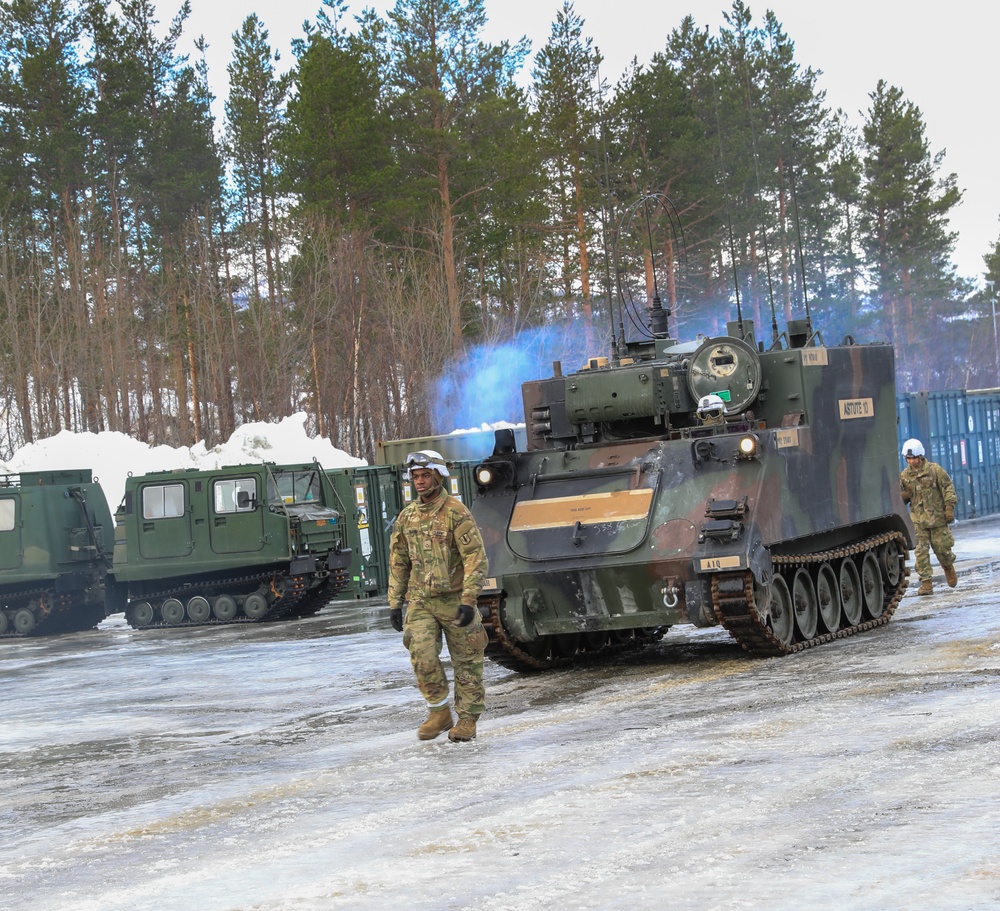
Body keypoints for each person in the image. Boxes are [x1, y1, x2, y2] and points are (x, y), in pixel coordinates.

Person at [388, 450, 489, 742]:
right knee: (421, 654)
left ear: (437, 476)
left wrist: (469, 600)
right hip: (421, 601)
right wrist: (395, 602)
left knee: (467, 661)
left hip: (456, 599)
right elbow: (398, 560)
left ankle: (467, 720)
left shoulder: (456, 512)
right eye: (415, 477)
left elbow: (475, 558)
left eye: (424, 476)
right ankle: (439, 712)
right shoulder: (407, 517)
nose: (419, 482)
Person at [899, 438, 958, 596]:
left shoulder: (934, 470)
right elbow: (900, 497)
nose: (912, 462)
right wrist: (903, 497)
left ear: (921, 456)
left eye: (914, 458)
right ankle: (926, 583)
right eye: (909, 459)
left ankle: (948, 568)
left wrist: (949, 508)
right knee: (921, 553)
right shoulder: (904, 476)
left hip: (938, 519)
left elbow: (948, 488)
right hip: (918, 521)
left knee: (943, 550)